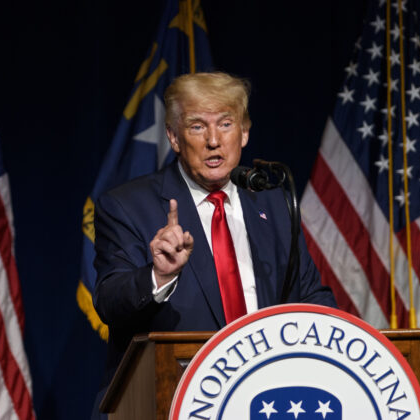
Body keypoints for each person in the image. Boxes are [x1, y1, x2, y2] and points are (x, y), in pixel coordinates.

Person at [92, 72, 336, 398]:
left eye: (225, 123)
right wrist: (158, 276)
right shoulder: (127, 206)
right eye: (197, 126)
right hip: (172, 395)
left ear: (244, 133)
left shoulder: (274, 202)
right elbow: (110, 302)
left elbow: (310, 296)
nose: (213, 140)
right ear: (174, 137)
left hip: (265, 396)